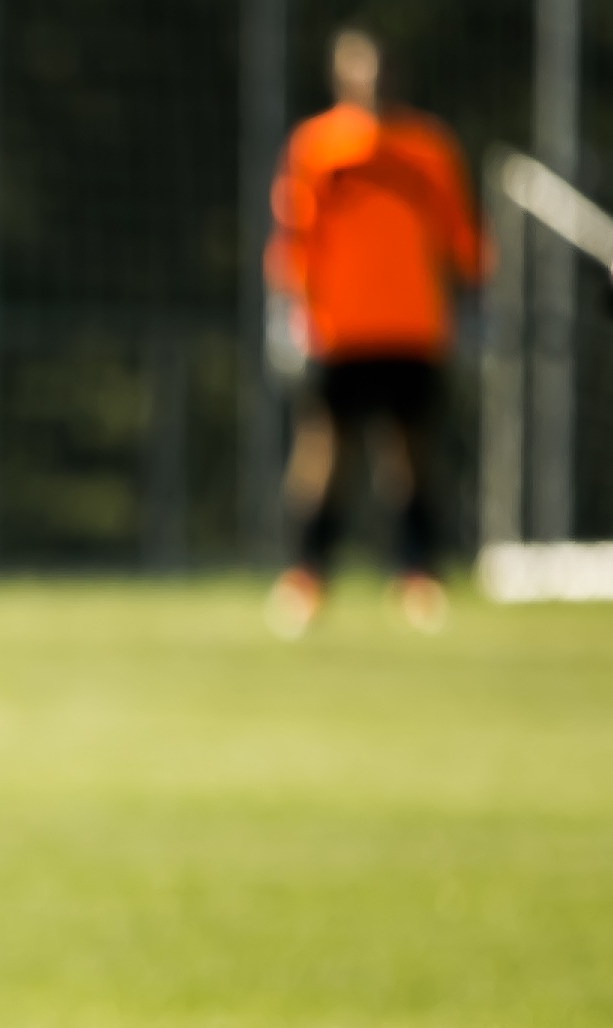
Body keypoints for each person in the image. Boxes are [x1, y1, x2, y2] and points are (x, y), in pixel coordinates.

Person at [265, 25, 483, 637]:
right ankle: (306, 575)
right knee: (323, 449)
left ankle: (417, 576)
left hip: (414, 324)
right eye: (363, 69)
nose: (375, 81)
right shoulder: (316, 147)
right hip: (337, 328)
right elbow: (294, 238)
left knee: (409, 452)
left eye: (384, 69)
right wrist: (290, 308)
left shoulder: (429, 148)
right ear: (342, 76)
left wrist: (475, 297)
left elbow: (462, 239)